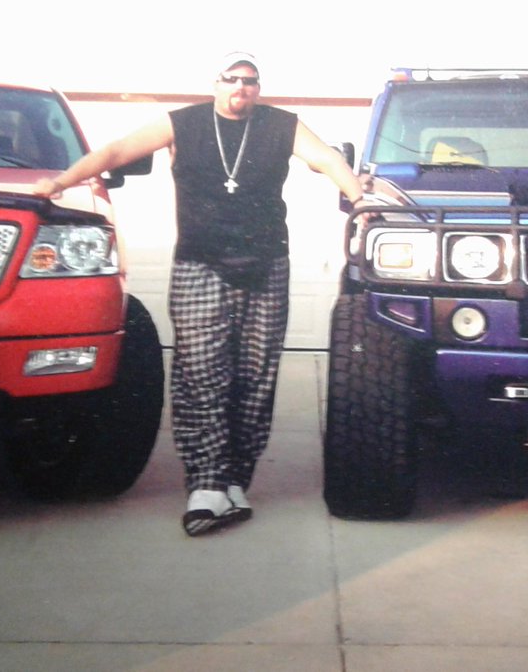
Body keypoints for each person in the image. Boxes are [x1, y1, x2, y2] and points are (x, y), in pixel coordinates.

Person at [34, 52, 366, 536]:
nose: (241, 88)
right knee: (201, 373)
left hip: (266, 266)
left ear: (258, 87)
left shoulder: (282, 125)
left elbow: (327, 159)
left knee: (256, 376)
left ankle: (234, 478)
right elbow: (115, 151)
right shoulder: (183, 123)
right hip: (200, 265)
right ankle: (206, 483)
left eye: (250, 81)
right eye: (232, 79)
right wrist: (61, 181)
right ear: (215, 84)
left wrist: (360, 199)